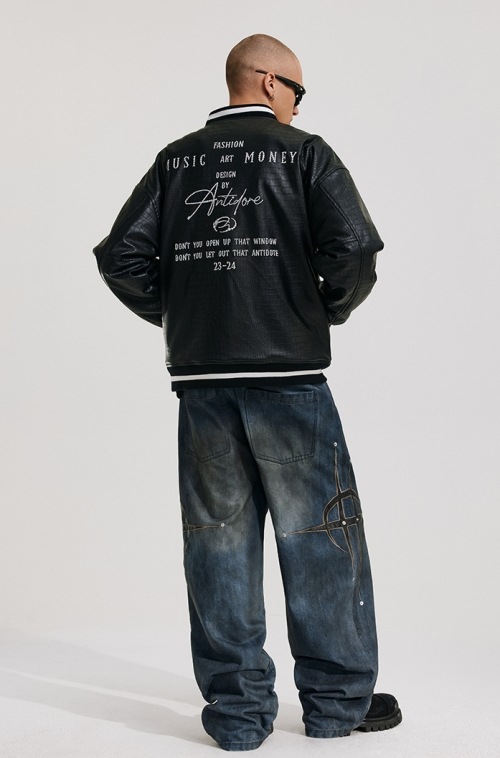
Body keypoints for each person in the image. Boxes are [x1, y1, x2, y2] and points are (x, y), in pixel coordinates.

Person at [93, 33, 402, 752]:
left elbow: (121, 257)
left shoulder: (175, 161)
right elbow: (355, 247)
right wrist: (319, 309)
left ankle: (236, 717)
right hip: (288, 379)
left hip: (202, 386)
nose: (298, 105)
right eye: (298, 90)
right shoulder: (305, 154)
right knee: (320, 537)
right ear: (267, 82)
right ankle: (336, 706)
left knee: (217, 545)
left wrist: (188, 315)